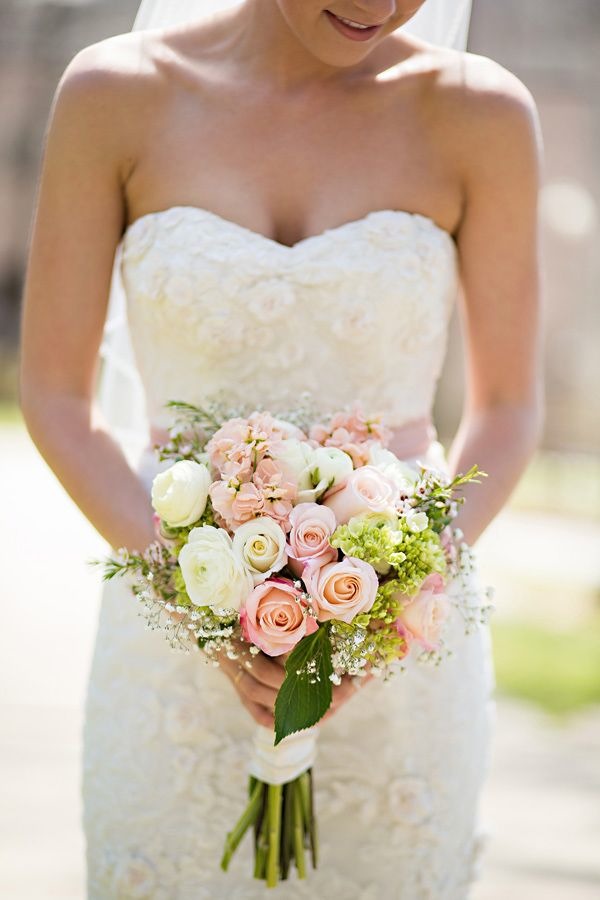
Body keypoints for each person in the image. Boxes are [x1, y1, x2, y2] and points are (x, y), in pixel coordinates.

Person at [19, 1, 543, 896]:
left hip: (400, 653)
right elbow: (57, 396)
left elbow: (508, 405)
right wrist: (202, 608)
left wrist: (394, 599)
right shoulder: (114, 95)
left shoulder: (482, 114)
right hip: (169, 643)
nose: (379, 6)